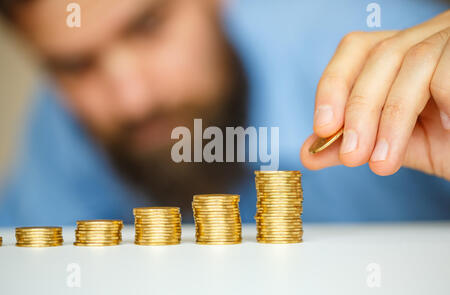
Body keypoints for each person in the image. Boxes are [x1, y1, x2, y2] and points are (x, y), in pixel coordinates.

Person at [0, 0, 448, 226]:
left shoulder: (405, 54)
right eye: (76, 66)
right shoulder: (59, 130)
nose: (132, 100)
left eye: (148, 27)